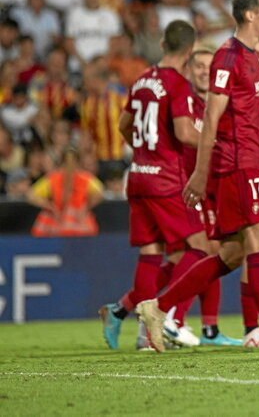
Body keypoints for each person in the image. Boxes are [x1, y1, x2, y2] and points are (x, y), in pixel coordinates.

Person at [137, 0, 259, 353]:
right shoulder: (229, 56)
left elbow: (257, 114)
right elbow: (212, 115)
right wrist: (200, 174)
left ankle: (158, 306)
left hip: (253, 162)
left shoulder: (253, 58)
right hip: (236, 164)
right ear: (251, 14)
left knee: (233, 255)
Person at [99, 20, 210, 350]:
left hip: (138, 175)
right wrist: (222, 141)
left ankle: (140, 331)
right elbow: (186, 133)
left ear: (162, 44)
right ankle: (161, 319)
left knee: (153, 253)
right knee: (203, 247)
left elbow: (124, 125)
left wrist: (145, 149)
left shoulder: (143, 79)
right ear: (189, 52)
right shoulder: (177, 84)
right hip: (165, 179)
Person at [157, 49, 243, 348]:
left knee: (211, 253)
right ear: (189, 69)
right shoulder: (182, 100)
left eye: (210, 66)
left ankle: (207, 328)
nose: (205, 71)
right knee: (203, 251)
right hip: (186, 186)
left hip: (215, 187)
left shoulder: (220, 101)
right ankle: (169, 317)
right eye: (199, 66)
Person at [27, 146, 104, 237]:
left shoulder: (85, 178)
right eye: (67, 162)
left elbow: (100, 193)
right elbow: (31, 195)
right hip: (57, 218)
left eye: (73, 162)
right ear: (62, 163)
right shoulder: (53, 178)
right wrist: (49, 206)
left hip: (78, 219)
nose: (70, 166)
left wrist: (86, 207)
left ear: (78, 163)